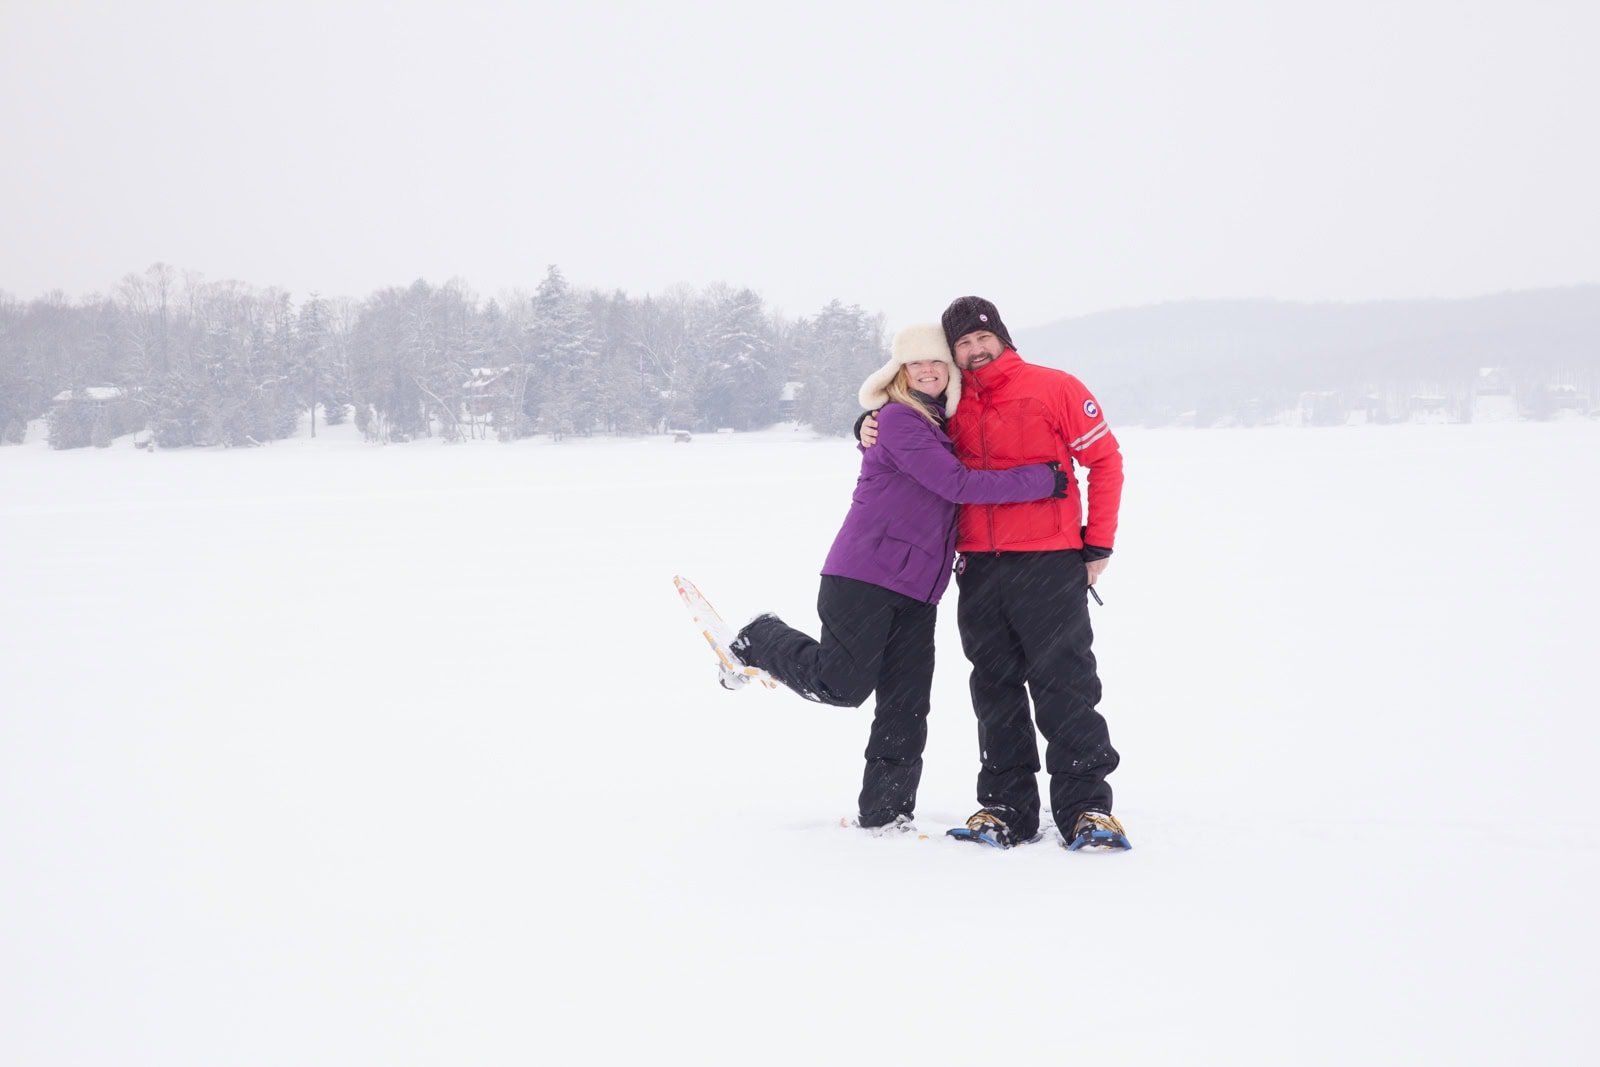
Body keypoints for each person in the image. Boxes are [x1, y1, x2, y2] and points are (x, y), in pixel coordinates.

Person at [725, 323, 1066, 835]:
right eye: (915, 364)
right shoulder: (901, 420)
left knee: (906, 706)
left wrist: (861, 424)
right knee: (840, 686)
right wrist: (1045, 478)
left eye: (937, 364)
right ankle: (761, 637)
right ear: (899, 372)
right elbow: (957, 483)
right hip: (865, 575)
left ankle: (886, 812)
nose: (927, 370)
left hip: (918, 589)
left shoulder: (932, 424)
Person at [858, 296, 1129, 851]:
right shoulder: (949, 406)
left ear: (1002, 338)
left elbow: (1105, 462)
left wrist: (1098, 541)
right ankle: (1007, 807)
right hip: (979, 567)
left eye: (984, 339)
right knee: (994, 689)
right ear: (953, 354)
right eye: (963, 343)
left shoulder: (1054, 386)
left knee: (1066, 685)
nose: (976, 350)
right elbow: (902, 427)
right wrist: (863, 421)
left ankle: (1086, 809)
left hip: (1050, 563)